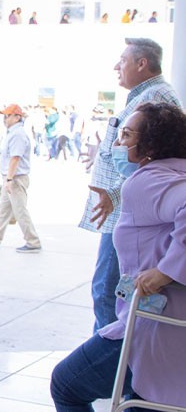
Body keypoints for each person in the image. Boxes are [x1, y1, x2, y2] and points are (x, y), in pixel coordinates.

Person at [51, 102, 186, 410]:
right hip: (166, 322)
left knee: (66, 383)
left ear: (151, 143)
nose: (118, 144)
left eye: (126, 135)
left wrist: (165, 271)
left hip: (154, 324)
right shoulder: (171, 171)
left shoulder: (146, 181)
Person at [79, 38, 181, 332]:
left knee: (110, 293)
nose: (116, 67)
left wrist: (115, 193)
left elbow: (159, 157)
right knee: (108, 291)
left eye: (123, 60)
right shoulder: (145, 95)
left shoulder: (158, 97)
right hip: (122, 210)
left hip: (129, 212)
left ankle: (113, 367)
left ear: (141, 63)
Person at [0, 104, 42, 253]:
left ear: (17, 117)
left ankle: (33, 241)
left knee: (20, 210)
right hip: (11, 177)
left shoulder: (18, 134)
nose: (5, 119)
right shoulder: (13, 133)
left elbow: (15, 158)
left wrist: (10, 179)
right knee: (3, 209)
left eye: (8, 116)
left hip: (16, 178)